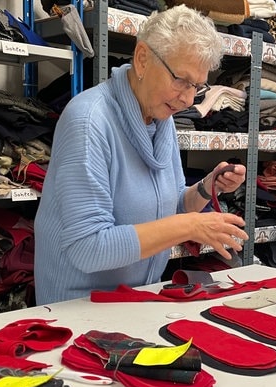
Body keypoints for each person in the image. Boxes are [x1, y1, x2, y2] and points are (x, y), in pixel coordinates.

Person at [34, 5, 249, 304]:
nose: (188, 99)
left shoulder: (162, 120)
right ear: (143, 59)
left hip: (136, 300)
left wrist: (205, 187)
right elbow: (88, 247)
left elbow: (169, 204)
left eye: (197, 86)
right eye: (180, 80)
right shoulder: (88, 121)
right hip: (77, 309)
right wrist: (190, 226)